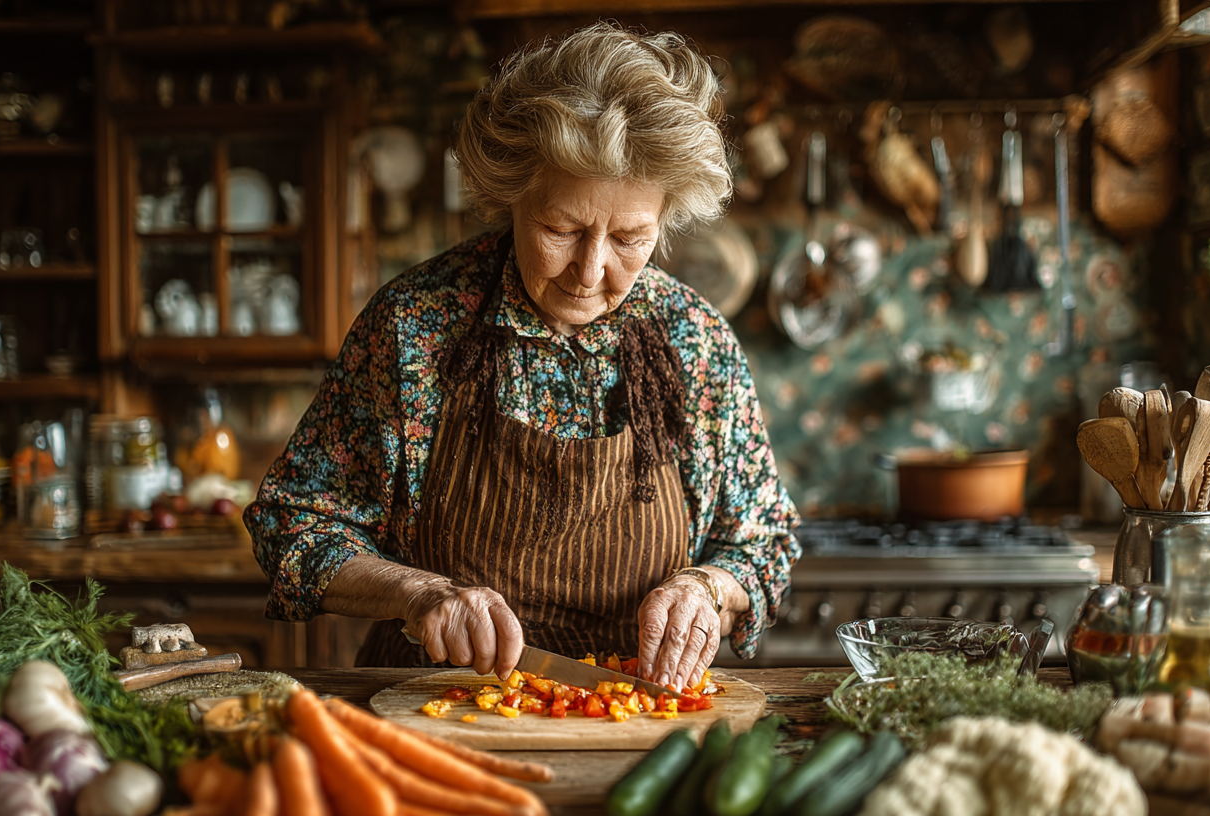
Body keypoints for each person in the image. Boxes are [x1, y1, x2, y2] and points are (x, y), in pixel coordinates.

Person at [246, 22, 799, 691]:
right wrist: (418, 595)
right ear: (510, 196)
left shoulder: (697, 341)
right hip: (436, 715)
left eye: (631, 237)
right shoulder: (415, 325)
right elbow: (293, 521)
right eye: (560, 229)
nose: (590, 271)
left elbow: (764, 541)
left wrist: (708, 587)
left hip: (635, 712)